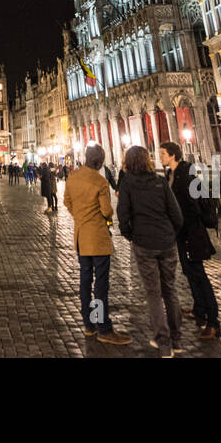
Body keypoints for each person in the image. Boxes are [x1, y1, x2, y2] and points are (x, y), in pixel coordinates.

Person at [117, 145, 185, 357]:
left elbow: (122, 214)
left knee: (153, 293)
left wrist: (131, 234)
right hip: (166, 242)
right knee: (170, 289)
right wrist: (170, 234)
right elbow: (177, 215)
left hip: (144, 243)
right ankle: (176, 339)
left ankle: (163, 343)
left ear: (128, 162)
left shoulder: (127, 183)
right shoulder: (160, 181)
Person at [63, 143, 130, 345]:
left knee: (85, 281)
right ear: (100, 162)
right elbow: (107, 211)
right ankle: (103, 326)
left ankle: (88, 324)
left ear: (85, 157)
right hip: (98, 238)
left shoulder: (72, 177)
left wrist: (80, 217)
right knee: (100, 284)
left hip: (81, 237)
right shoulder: (100, 182)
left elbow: (67, 202)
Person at [159, 142, 220, 339]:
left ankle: (213, 322)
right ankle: (198, 309)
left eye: (163, 154)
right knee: (189, 271)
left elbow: (191, 208)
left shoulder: (185, 177)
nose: (160, 156)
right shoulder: (171, 175)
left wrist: (180, 224)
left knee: (199, 275)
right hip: (181, 234)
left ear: (173, 156)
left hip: (192, 234)